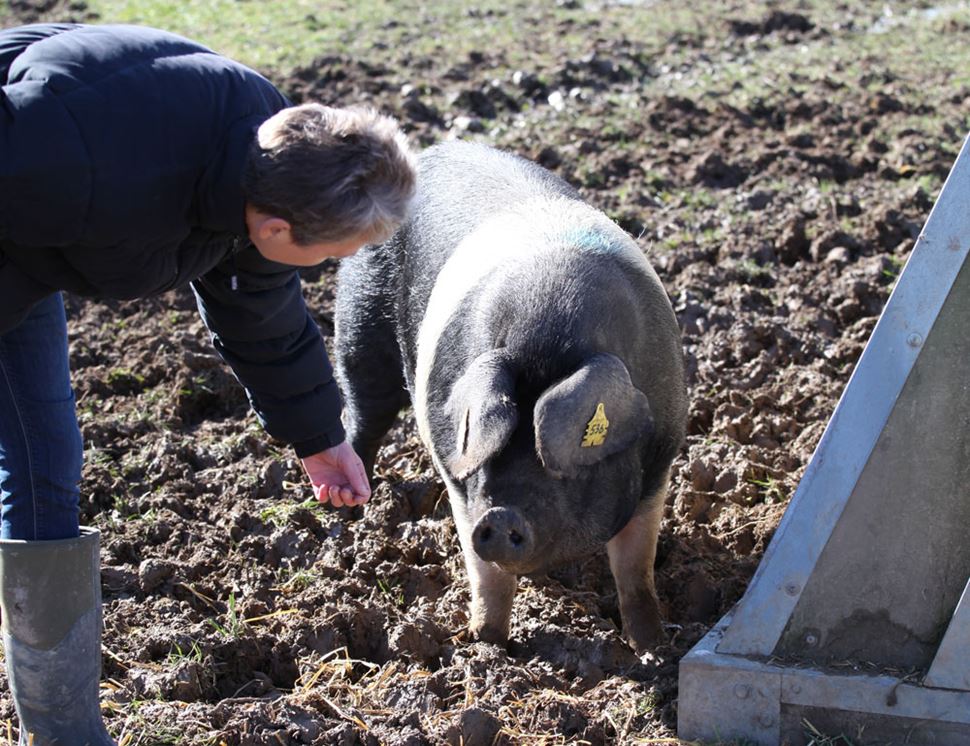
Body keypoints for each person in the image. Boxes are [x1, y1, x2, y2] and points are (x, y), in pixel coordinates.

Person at [0, 23, 417, 745]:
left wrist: (319, 439)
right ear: (282, 230)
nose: (324, 268)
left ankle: (65, 734)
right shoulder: (67, 157)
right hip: (27, 204)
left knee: (45, 469)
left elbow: (258, 307)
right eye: (330, 255)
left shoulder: (278, 164)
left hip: (25, 259)